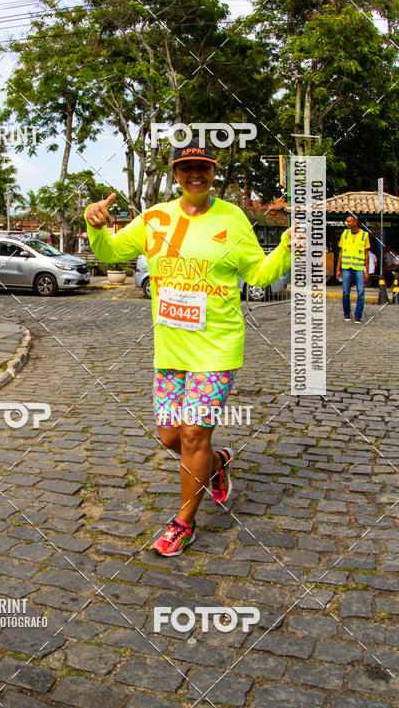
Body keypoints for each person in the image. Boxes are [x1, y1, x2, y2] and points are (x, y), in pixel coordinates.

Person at [85, 136, 297, 557]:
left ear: (214, 172)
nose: (195, 173)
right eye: (186, 167)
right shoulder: (155, 219)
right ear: (175, 174)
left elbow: (257, 274)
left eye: (203, 167)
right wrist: (95, 224)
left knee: (194, 433)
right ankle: (217, 464)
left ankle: (184, 523)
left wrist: (289, 246)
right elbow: (109, 252)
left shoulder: (233, 219)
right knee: (170, 437)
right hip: (171, 349)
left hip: (216, 347)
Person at [336, 213, 369, 323]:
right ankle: (346, 313)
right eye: (347, 221)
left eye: (349, 221)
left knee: (361, 292)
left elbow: (366, 254)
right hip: (346, 267)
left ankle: (358, 316)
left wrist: (367, 271)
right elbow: (341, 252)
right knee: (345, 292)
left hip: (359, 268)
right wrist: (338, 269)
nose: (347, 223)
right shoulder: (344, 234)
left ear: (355, 222)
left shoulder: (365, 235)